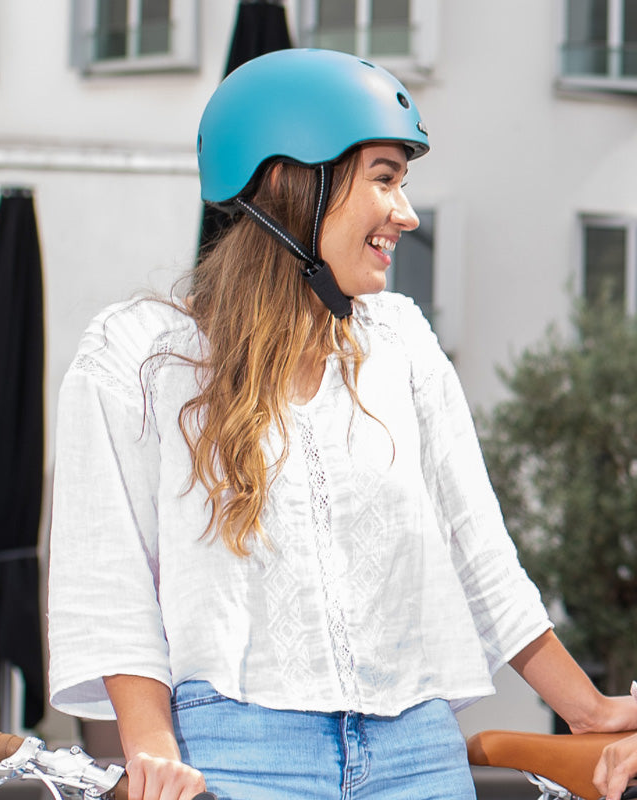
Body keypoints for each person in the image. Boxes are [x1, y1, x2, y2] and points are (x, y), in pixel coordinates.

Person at [47, 49, 637, 800]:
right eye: (384, 179)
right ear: (295, 184)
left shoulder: (401, 343)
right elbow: (109, 579)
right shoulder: (139, 356)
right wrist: (151, 747)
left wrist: (586, 709)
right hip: (236, 757)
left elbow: (478, 551)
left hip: (415, 750)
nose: (407, 214)